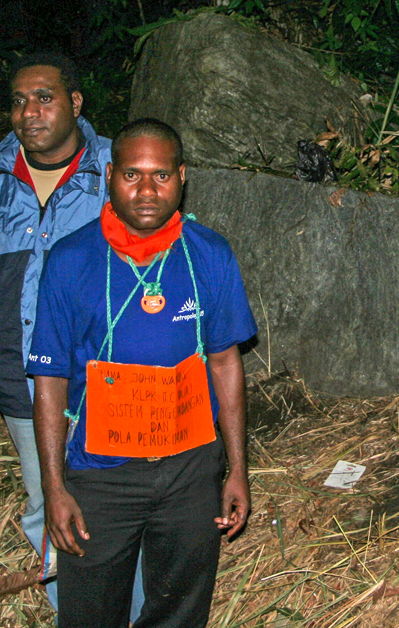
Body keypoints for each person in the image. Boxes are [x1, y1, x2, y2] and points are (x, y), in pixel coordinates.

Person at [29, 118, 256, 628]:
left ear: (182, 177)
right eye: (132, 175)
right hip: (100, 475)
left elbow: (225, 362)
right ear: (109, 176)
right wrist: (54, 488)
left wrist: (237, 466)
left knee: (179, 609)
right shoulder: (70, 261)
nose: (147, 190)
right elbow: (49, 381)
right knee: (90, 612)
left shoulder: (210, 255)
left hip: (190, 468)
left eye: (161, 176)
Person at [0, 51, 114, 605]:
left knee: (111, 501)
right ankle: (71, 610)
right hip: (20, 374)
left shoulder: (114, 170)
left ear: (74, 103)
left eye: (44, 98)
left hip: (103, 376)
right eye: (19, 101)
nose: (30, 112)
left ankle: (126, 607)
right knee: (47, 500)